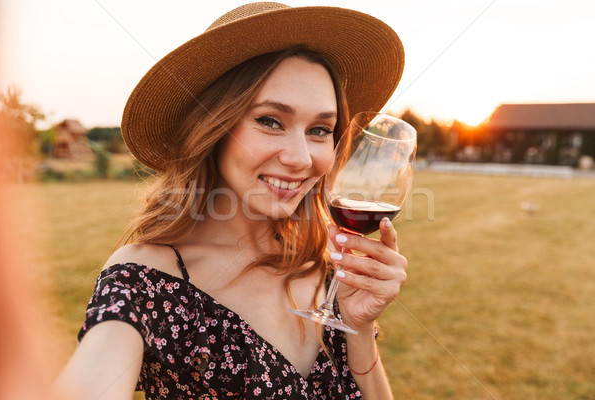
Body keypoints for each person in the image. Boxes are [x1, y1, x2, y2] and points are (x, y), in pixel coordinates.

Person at [53, 2, 408, 399]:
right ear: (214, 128)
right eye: (270, 121)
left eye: (320, 129)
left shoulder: (327, 267)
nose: (301, 158)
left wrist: (359, 331)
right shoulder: (145, 279)